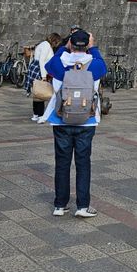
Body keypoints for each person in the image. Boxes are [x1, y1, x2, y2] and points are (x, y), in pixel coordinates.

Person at [38, 29, 107, 217]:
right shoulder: (96, 64)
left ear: (70, 44)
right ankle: (83, 206)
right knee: (83, 163)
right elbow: (102, 64)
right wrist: (93, 47)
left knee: (62, 162)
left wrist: (64, 47)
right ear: (87, 45)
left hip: (61, 120)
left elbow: (49, 64)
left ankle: (60, 205)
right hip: (87, 120)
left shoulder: (58, 63)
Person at [26, 32, 61, 120]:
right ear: (54, 40)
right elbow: (42, 61)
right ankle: (40, 114)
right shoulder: (46, 46)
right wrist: (43, 76)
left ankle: (36, 114)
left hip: (35, 68)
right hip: (39, 70)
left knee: (37, 93)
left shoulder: (44, 44)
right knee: (41, 93)